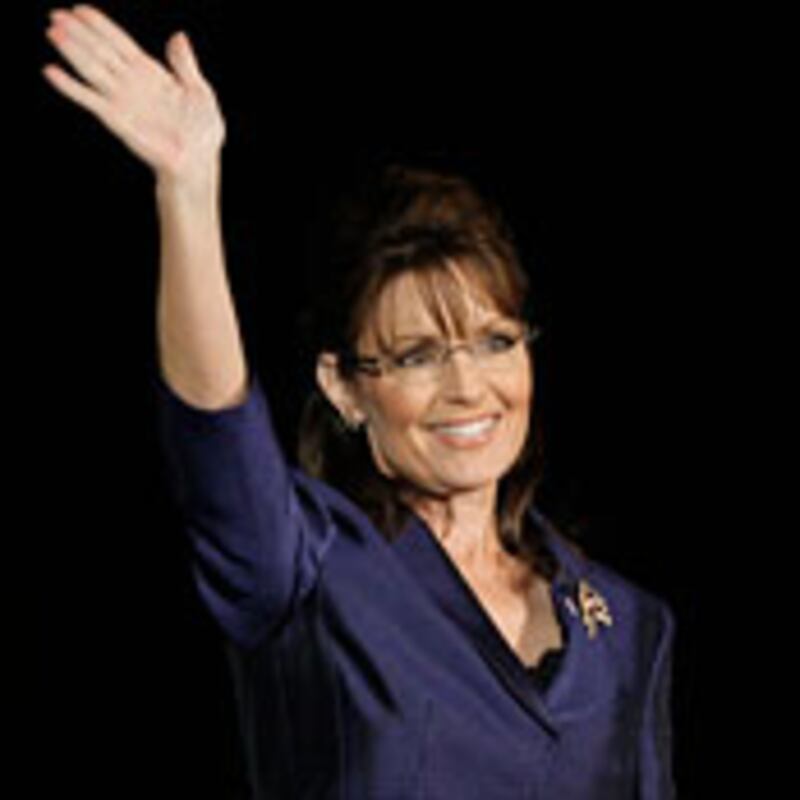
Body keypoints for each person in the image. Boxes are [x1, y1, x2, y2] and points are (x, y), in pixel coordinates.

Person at [43, 6, 676, 798]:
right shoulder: (309, 568)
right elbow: (218, 433)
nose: (467, 387)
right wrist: (189, 193)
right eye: (417, 356)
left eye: (494, 342)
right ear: (344, 387)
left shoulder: (625, 624)